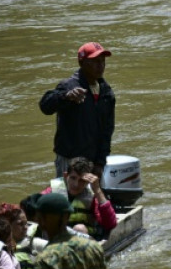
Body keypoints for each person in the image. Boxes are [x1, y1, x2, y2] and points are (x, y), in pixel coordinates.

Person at [39, 42, 116, 179]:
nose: (101, 65)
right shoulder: (69, 86)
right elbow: (45, 106)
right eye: (95, 61)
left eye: (103, 61)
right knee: (66, 198)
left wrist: (100, 162)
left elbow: (107, 131)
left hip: (93, 161)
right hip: (69, 160)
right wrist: (66, 97)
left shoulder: (106, 92)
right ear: (82, 63)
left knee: (93, 199)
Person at [41, 157, 117, 240]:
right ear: (66, 176)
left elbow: (110, 224)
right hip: (56, 239)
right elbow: (32, 207)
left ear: (88, 181)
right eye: (73, 178)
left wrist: (98, 190)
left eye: (82, 180)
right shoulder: (52, 191)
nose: (76, 184)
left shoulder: (91, 197)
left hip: (82, 241)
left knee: (79, 228)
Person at [0, 203, 45, 269]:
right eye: (20, 224)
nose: (25, 228)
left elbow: (54, 247)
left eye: (26, 223)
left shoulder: (33, 243)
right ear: (7, 225)